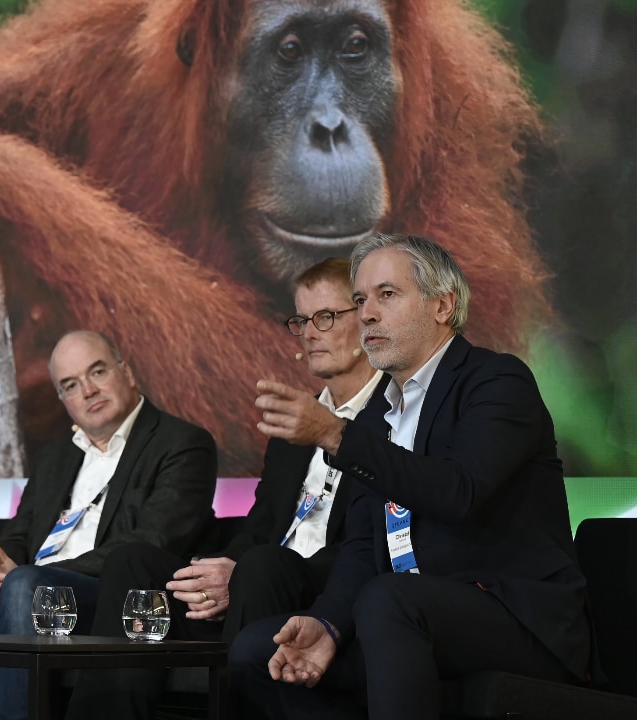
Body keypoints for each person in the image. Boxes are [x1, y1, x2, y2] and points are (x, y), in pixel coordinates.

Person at [231, 234, 591, 720]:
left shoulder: (497, 381)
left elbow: (458, 491)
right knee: (257, 650)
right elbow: (362, 544)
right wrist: (328, 625)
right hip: (404, 614)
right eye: (360, 300)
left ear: (443, 305)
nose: (367, 315)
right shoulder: (378, 414)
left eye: (387, 295)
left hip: (514, 616)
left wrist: (338, 436)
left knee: (388, 599)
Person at [65, 258, 382, 720]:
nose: (310, 333)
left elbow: (369, 543)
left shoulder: (393, 418)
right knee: (132, 561)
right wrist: (222, 574)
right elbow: (260, 524)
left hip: (321, 588)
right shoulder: (293, 422)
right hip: (258, 579)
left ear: (365, 317)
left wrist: (246, 570)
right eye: (300, 321)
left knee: (262, 564)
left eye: (326, 317)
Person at [0, 329, 220, 720]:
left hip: (104, 604)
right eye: (71, 385)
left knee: (25, 586)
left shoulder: (182, 443)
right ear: (63, 400)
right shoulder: (56, 457)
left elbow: (153, 542)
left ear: (127, 372)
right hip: (22, 597)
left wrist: (26, 576)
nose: (87, 390)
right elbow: (18, 534)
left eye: (97, 372)